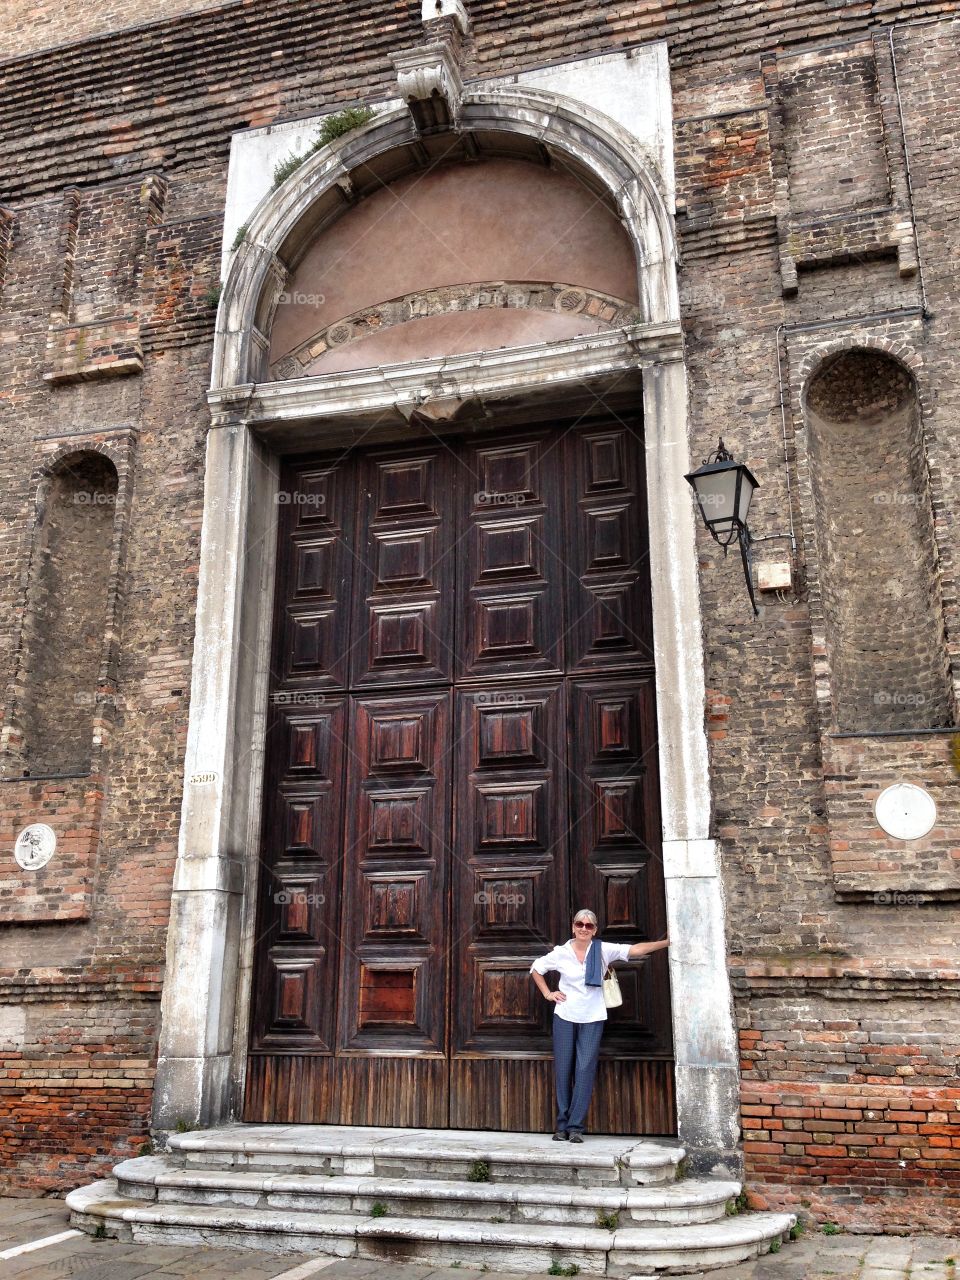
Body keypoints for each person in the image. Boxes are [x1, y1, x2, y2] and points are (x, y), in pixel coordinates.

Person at [530, 909, 669, 1142]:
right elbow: (536, 968)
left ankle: (575, 1127)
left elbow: (635, 950)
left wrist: (666, 942)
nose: (584, 928)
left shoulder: (602, 949)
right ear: (573, 926)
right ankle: (561, 1125)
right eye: (580, 924)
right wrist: (548, 993)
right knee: (564, 1069)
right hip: (565, 1015)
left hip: (593, 1017)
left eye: (589, 925)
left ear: (594, 930)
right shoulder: (561, 953)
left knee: (584, 1069)